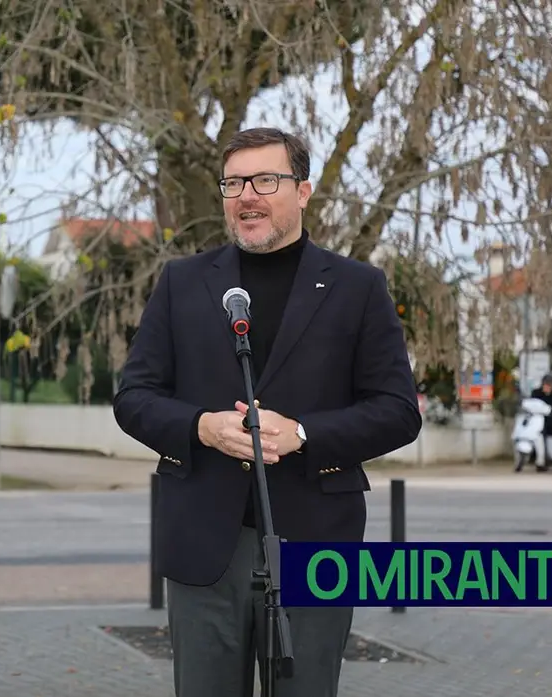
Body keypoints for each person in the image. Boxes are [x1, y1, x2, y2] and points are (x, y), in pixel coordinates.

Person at [113, 127, 422, 697]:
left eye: (265, 179)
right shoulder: (182, 283)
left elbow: (399, 411)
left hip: (316, 544)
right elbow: (134, 398)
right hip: (206, 545)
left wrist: (304, 433)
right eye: (233, 183)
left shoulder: (358, 287)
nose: (246, 195)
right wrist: (201, 427)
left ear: (302, 192)